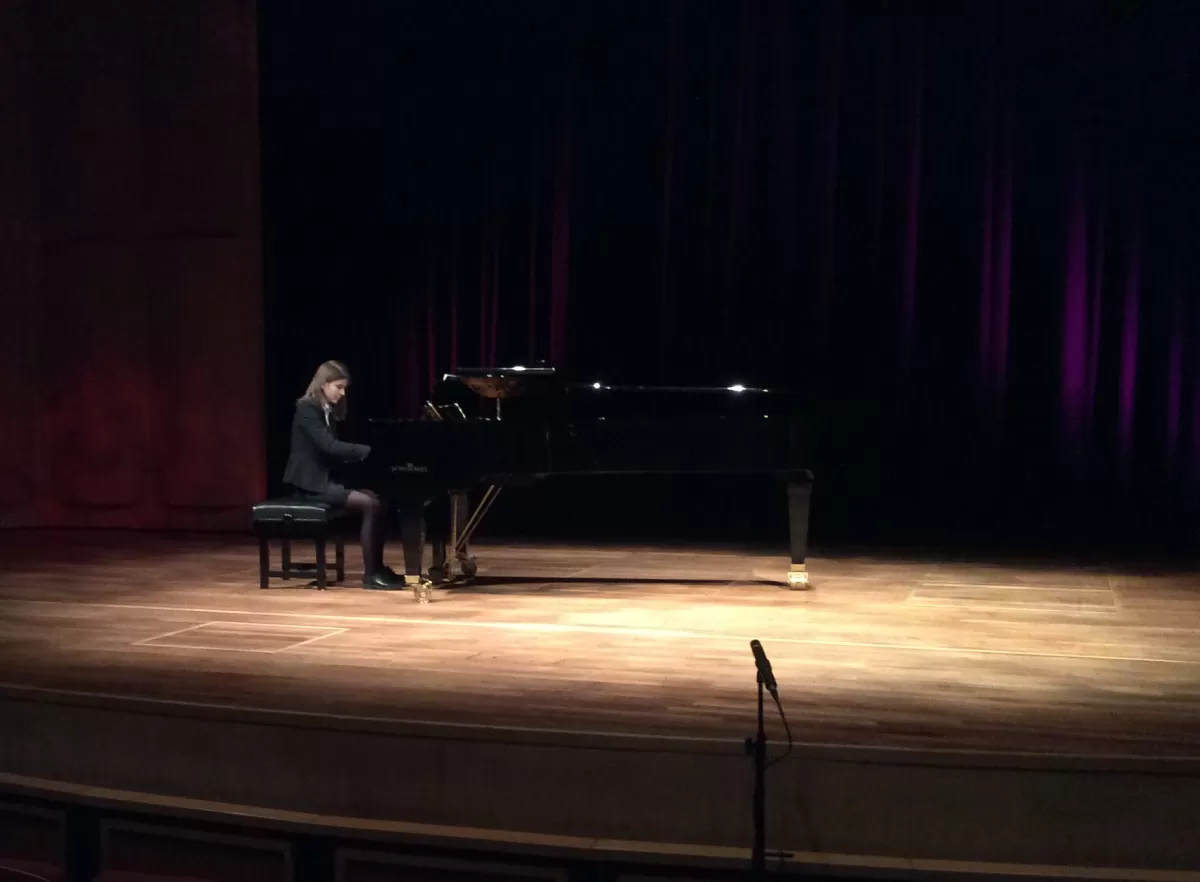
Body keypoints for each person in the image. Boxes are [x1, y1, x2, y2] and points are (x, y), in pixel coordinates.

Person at [283, 360, 401, 589]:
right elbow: (329, 446)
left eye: (344, 387)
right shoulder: (306, 408)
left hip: (324, 479)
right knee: (369, 504)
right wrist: (368, 451)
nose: (342, 393)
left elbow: (332, 452)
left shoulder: (326, 410)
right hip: (309, 484)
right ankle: (371, 575)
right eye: (339, 387)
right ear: (323, 384)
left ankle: (379, 568)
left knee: (378, 499)